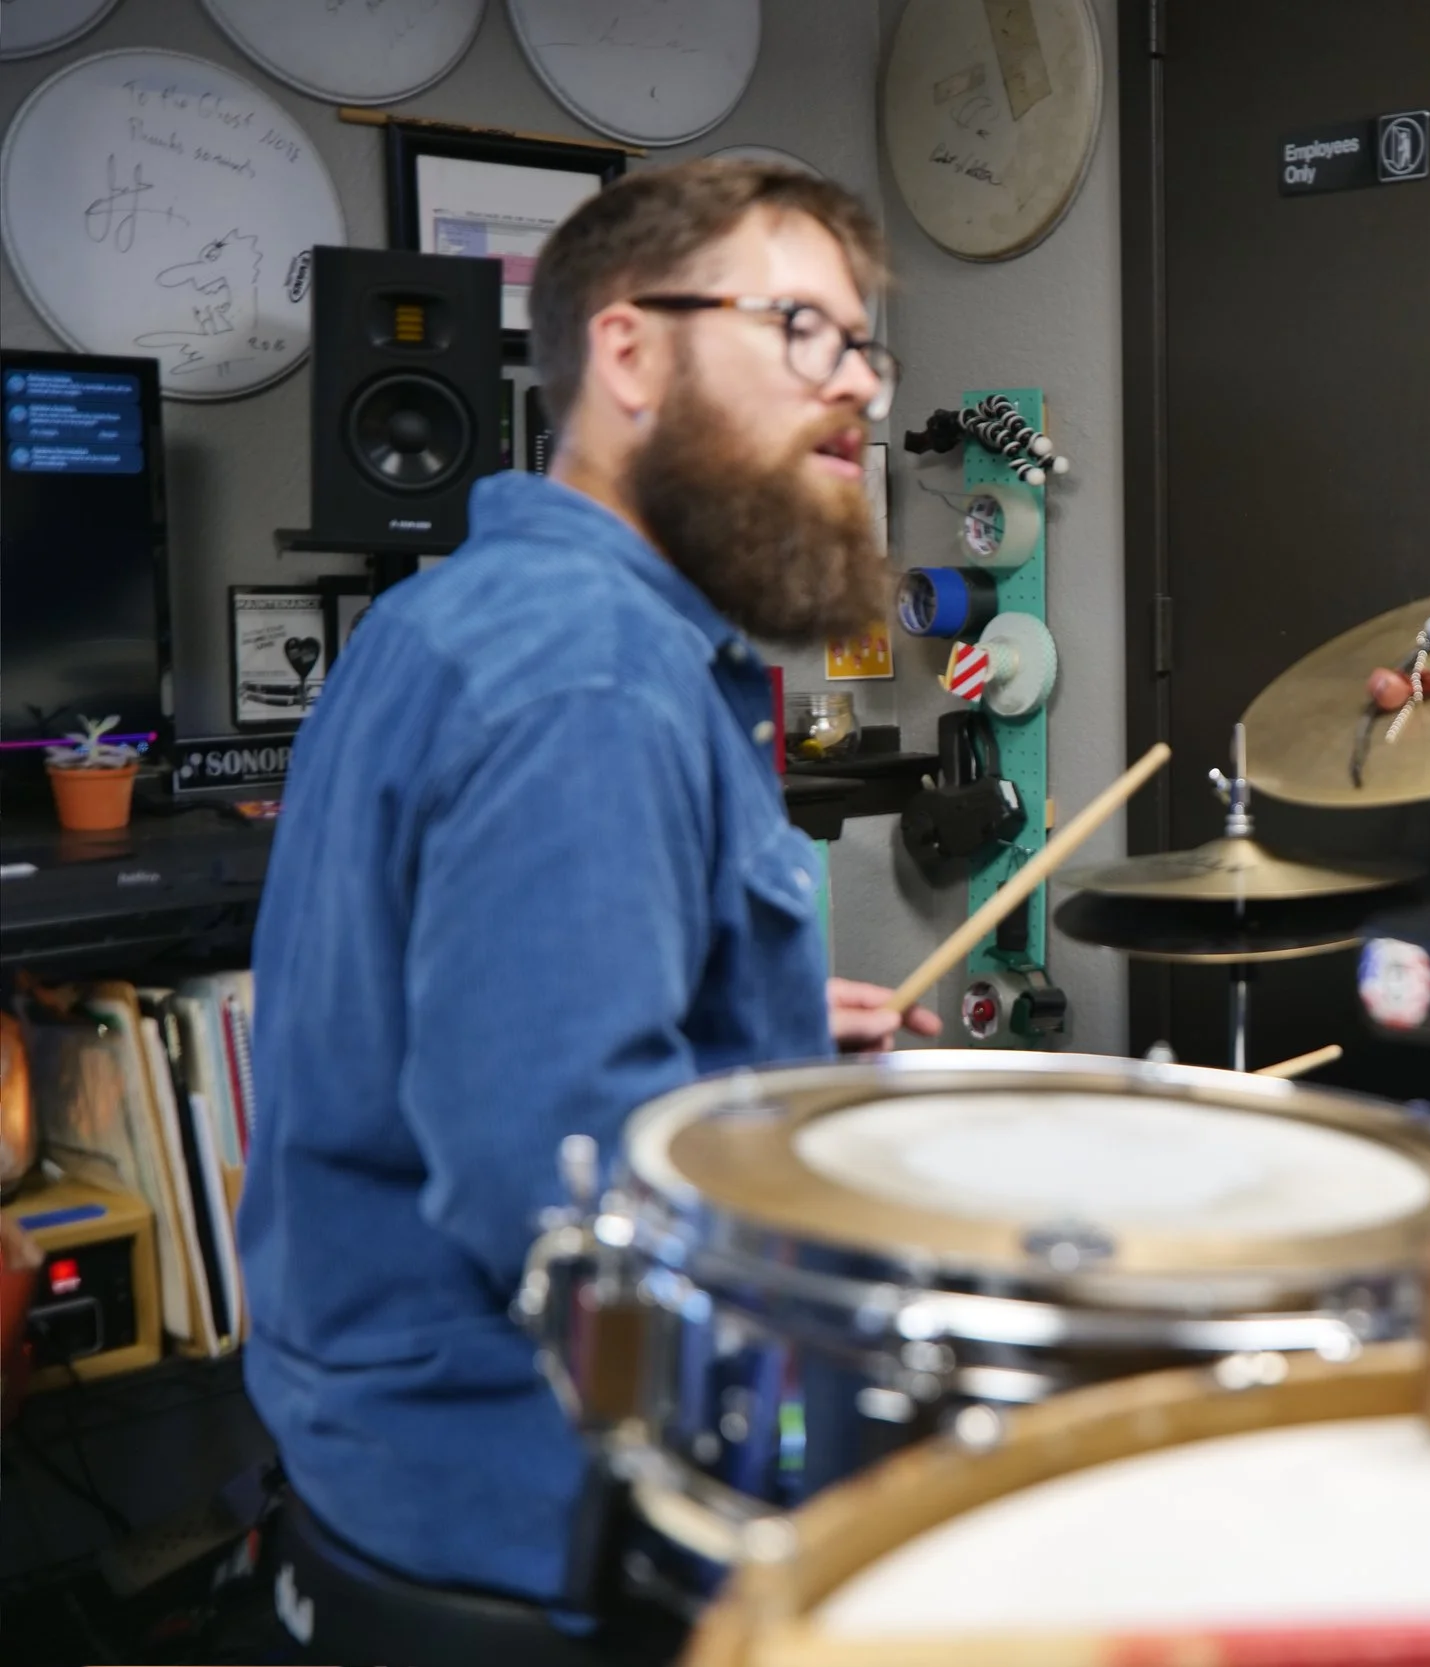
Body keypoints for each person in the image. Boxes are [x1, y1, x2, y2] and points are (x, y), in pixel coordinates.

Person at [236, 161, 938, 1631]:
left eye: (865, 343)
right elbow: (566, 1208)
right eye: (805, 327)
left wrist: (758, 1035)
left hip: (367, 1451)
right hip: (528, 1498)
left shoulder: (456, 610)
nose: (860, 385)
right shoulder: (589, 675)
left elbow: (467, 1016)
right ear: (630, 351)